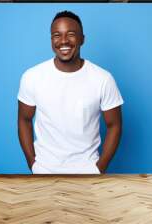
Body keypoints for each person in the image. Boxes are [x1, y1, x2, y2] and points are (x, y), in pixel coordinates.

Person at [17, 10, 123, 174]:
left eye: (71, 34)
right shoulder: (32, 77)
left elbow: (114, 125)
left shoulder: (103, 78)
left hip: (88, 172)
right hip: (44, 171)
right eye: (57, 35)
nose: (63, 41)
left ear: (82, 39)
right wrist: (32, 163)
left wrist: (100, 168)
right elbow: (24, 119)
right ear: (51, 40)